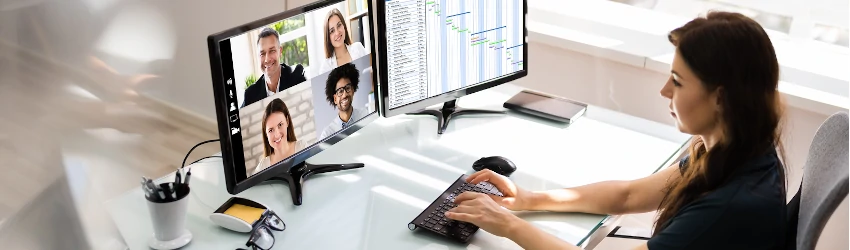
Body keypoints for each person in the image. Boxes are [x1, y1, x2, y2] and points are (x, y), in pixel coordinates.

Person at [445, 11, 788, 250]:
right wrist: (528, 200)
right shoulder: (737, 149)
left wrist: (508, 226)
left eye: (679, 81)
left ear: (721, 98)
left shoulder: (727, 208)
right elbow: (629, 196)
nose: (665, 91)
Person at [242, 27, 307, 108]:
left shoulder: (297, 78)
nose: (267, 59)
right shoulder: (250, 94)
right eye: (262, 53)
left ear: (280, 51)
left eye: (272, 51)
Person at [252, 98, 305, 176]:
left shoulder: (302, 147)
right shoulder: (263, 167)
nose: (276, 135)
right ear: (266, 134)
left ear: (287, 121)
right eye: (270, 130)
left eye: (280, 125)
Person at [319, 63, 368, 139]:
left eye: (348, 88)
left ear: (353, 90)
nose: (345, 95)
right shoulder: (327, 134)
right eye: (340, 91)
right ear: (335, 99)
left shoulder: (366, 115)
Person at [318, 8, 368, 74]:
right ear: (328, 37)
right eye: (332, 31)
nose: (337, 33)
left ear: (344, 26)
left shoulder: (358, 48)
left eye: (339, 25)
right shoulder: (326, 67)